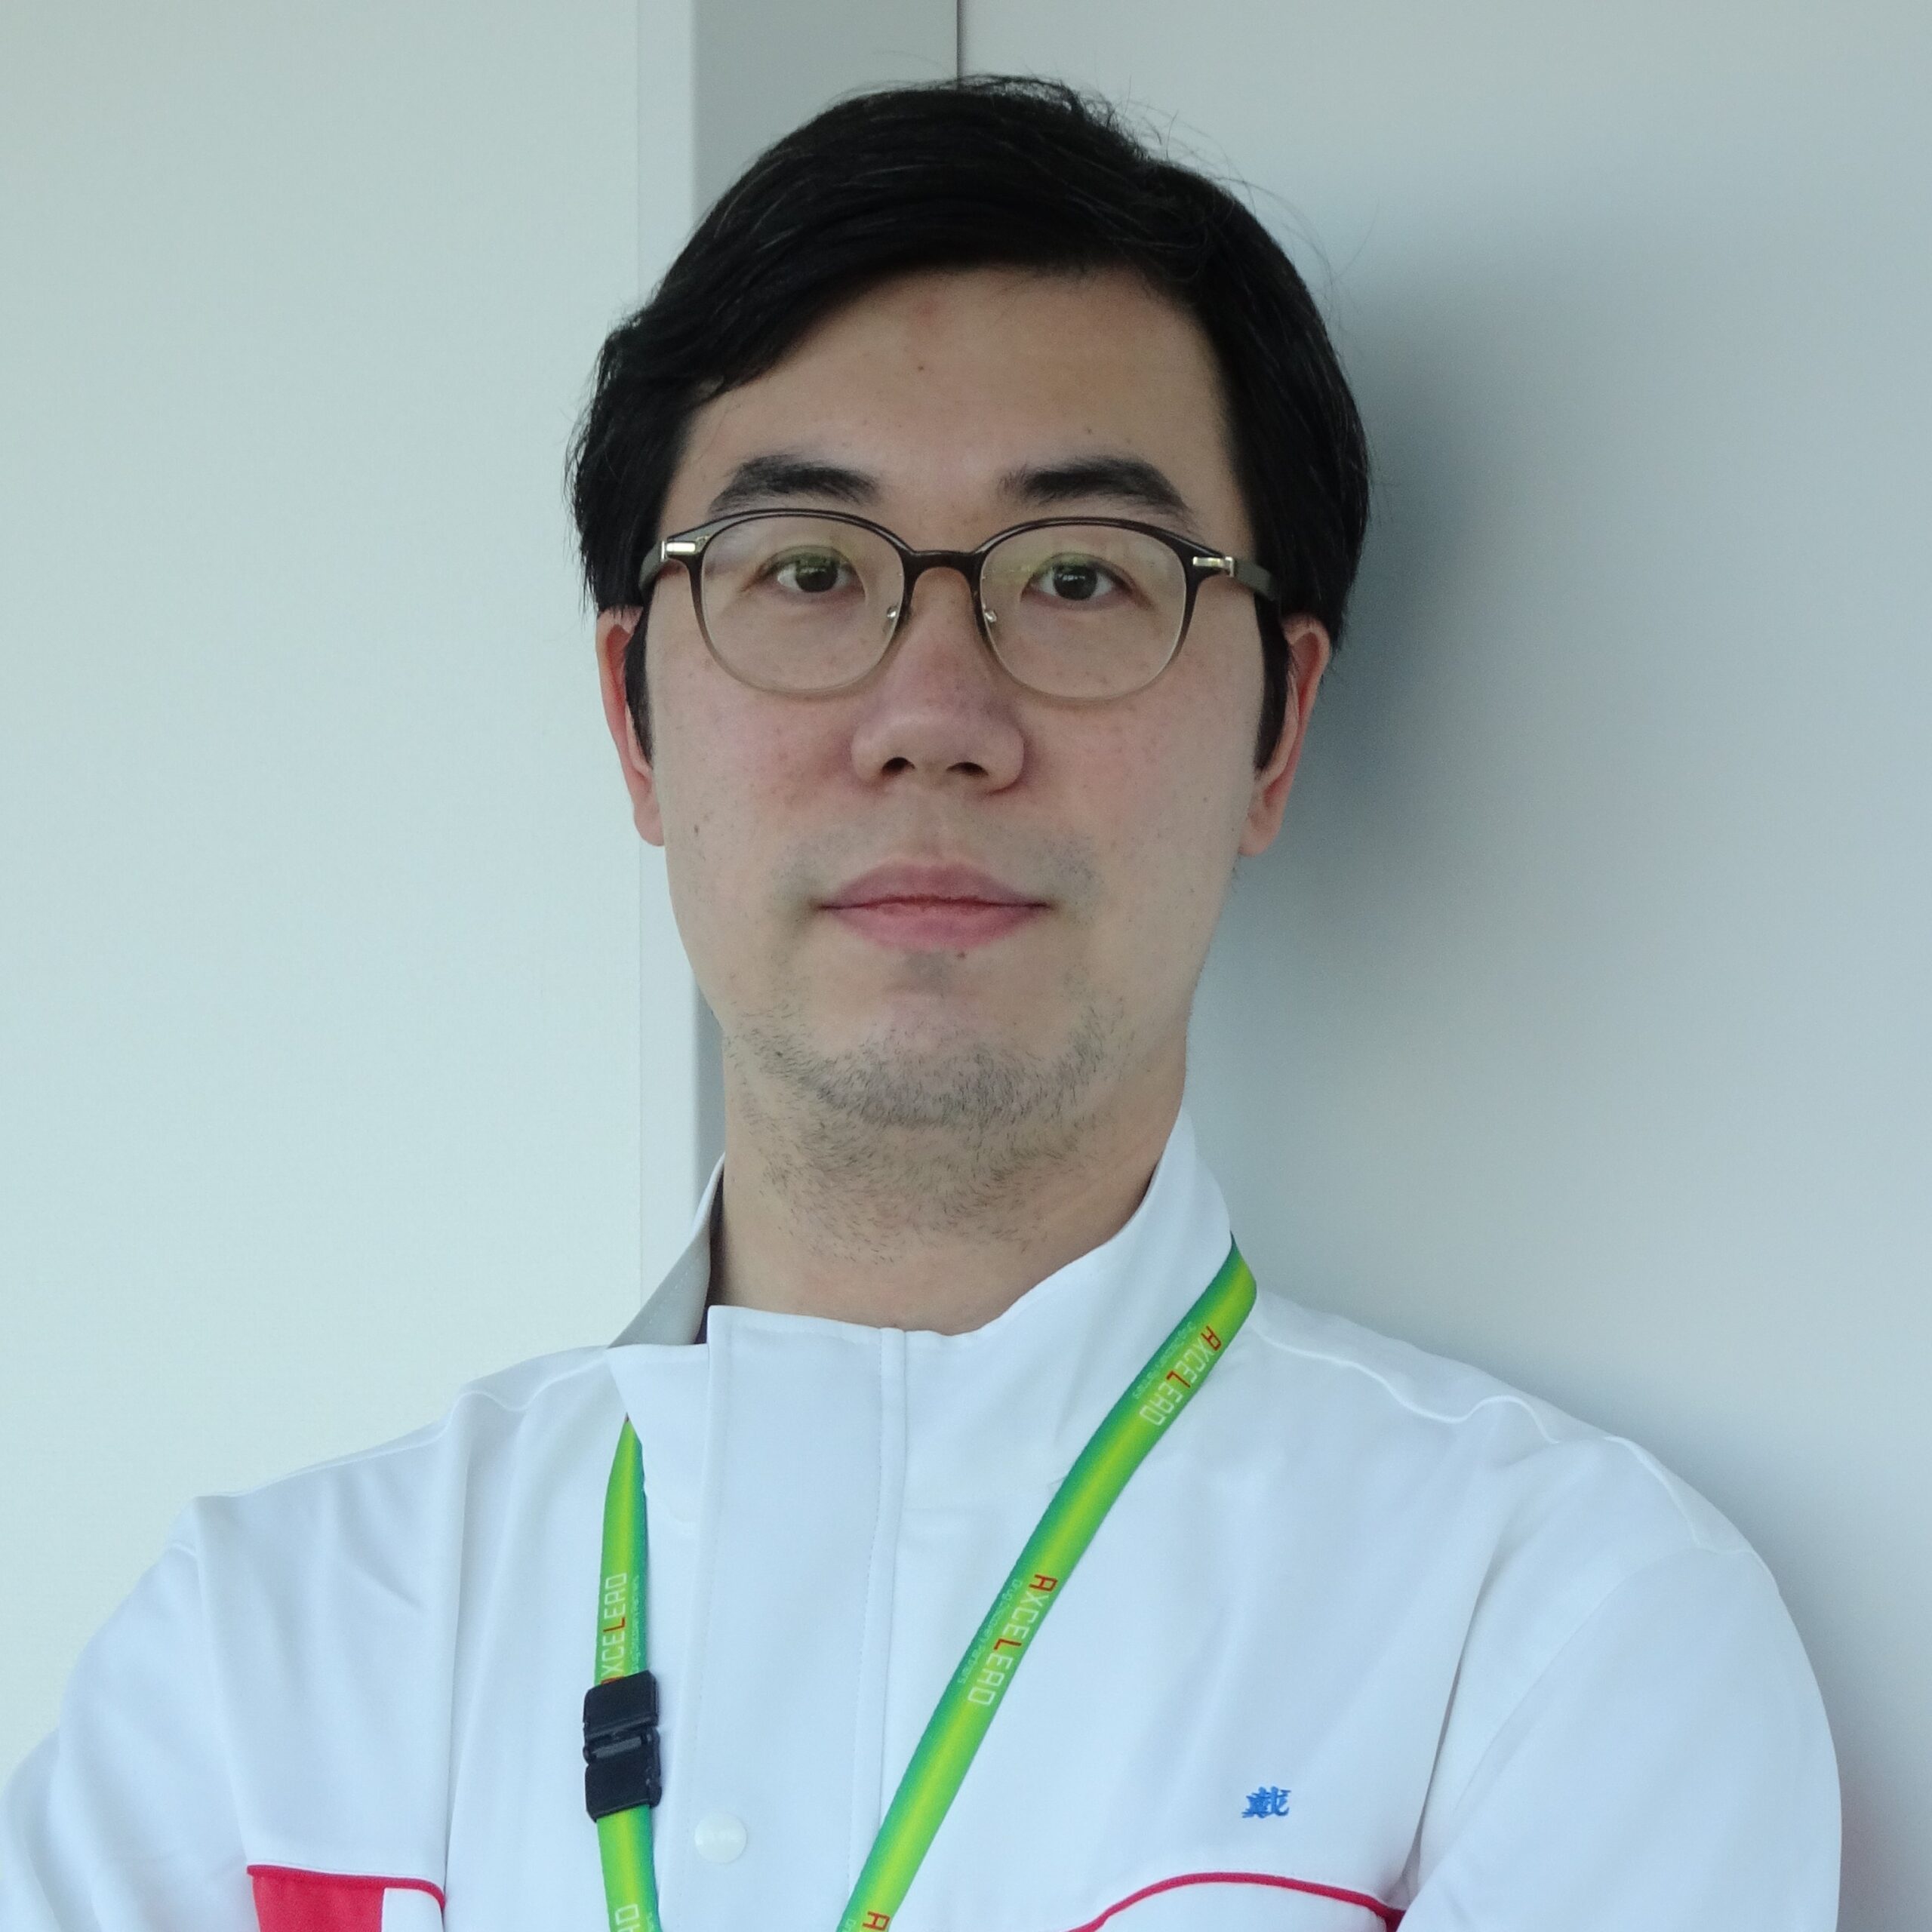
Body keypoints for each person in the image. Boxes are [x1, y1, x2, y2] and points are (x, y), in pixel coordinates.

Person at [1, 75, 1837, 1932]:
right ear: (635, 719)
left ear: (1275, 729)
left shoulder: (1547, 1631)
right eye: (807, 571)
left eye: (1080, 577)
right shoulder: (260, 1670)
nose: (935, 718)